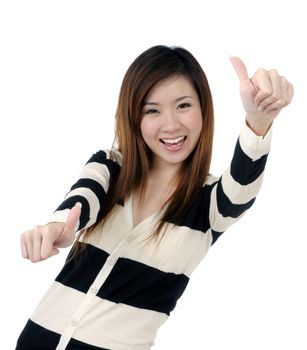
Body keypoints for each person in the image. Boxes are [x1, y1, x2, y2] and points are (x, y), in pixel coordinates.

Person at [16, 45, 294, 350]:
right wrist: (57, 226)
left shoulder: (210, 205)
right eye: (152, 110)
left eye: (183, 105)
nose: (171, 124)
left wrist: (258, 120)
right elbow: (82, 197)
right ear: (134, 116)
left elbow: (243, 185)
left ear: (204, 110)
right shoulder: (111, 166)